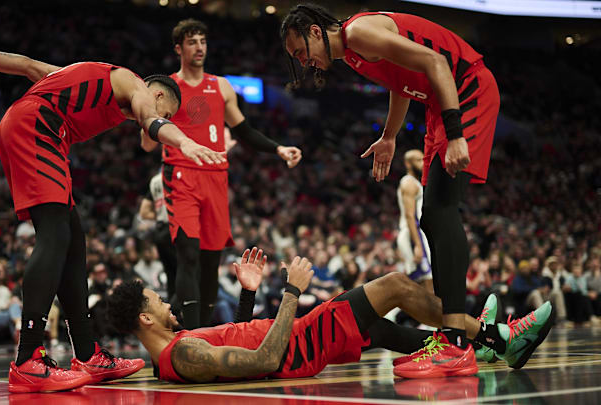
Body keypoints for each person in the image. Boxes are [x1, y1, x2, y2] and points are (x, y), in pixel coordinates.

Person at [0, 27, 226, 393]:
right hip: (37, 129)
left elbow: (24, 64)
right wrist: (185, 141)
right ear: (158, 93)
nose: (165, 116)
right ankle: (28, 358)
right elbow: (152, 120)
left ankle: (87, 352)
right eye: (169, 110)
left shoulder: (86, 78)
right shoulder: (138, 88)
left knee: (72, 242)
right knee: (55, 237)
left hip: (40, 132)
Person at [280, 4, 500, 377]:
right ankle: (455, 335)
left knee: (441, 210)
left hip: (464, 91)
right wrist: (389, 136)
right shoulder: (352, 55)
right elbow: (402, 83)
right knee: (432, 217)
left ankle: (455, 343)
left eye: (300, 52)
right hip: (438, 104)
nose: (304, 62)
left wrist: (457, 133)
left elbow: (436, 62)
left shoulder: (359, 33)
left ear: (315, 31)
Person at [107, 246, 553, 382]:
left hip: (297, 339)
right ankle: (496, 337)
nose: (165, 301)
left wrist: (249, 294)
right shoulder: (181, 355)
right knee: (396, 284)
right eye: (156, 300)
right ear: (145, 319)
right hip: (297, 347)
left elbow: (236, 337)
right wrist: (290, 293)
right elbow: (262, 362)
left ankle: (474, 344)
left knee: (375, 326)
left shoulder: (180, 347)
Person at [140, 19, 303, 329]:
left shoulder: (222, 87)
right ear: (179, 48)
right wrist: (147, 120)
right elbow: (147, 143)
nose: (199, 47)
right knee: (188, 256)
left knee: (210, 263)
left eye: (202, 40)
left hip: (216, 178)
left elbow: (243, 130)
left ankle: (204, 333)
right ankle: (189, 335)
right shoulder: (167, 89)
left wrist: (278, 149)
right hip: (181, 176)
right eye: (191, 42)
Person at [138, 170, 177, 304]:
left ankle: (174, 313)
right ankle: (185, 314)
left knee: (171, 274)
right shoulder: (180, 174)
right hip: (176, 228)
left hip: (161, 231)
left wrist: (160, 216)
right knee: (186, 273)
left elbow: (143, 212)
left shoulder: (155, 180)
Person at [396, 150, 432, 291]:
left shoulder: (415, 183)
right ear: (408, 164)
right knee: (427, 286)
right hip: (413, 234)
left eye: (423, 159)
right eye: (418, 160)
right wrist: (417, 245)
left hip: (417, 234)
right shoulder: (409, 183)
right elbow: (410, 216)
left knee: (421, 286)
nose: (423, 163)